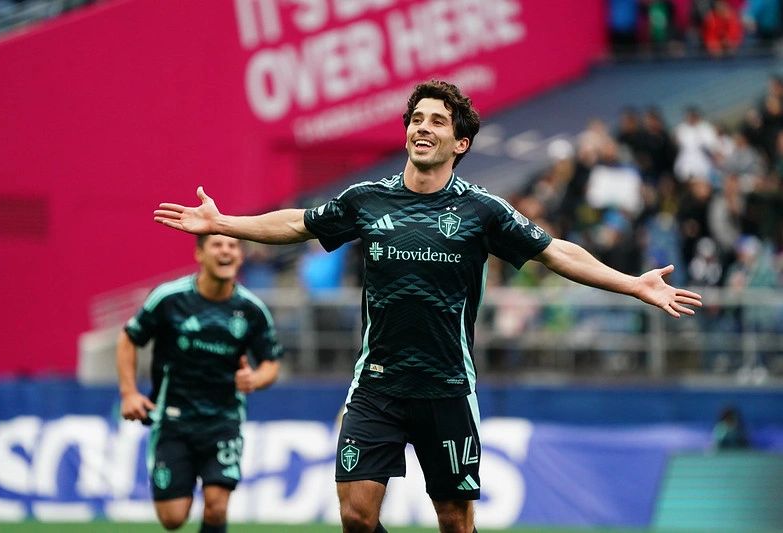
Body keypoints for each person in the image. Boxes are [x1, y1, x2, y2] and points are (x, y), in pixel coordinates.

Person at [153, 80, 703, 533]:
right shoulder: (365, 201)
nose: (423, 127)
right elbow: (297, 223)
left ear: (460, 142)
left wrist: (634, 284)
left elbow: (556, 251)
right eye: (417, 118)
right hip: (377, 387)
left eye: (438, 121)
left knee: (456, 523)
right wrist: (225, 222)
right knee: (356, 517)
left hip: (446, 389)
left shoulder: (483, 210)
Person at [116, 234, 283, 533]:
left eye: (233, 246)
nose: (226, 251)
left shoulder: (252, 310)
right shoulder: (169, 299)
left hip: (224, 420)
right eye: (217, 245)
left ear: (240, 256)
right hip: (173, 420)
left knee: (217, 508)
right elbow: (129, 338)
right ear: (199, 254)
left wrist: (254, 378)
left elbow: (271, 364)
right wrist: (129, 392)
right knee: (172, 518)